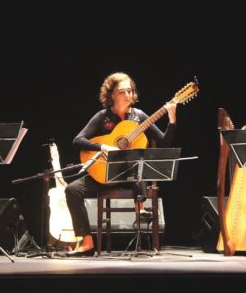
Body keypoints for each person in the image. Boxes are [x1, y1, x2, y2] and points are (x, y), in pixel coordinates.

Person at [64, 72, 177, 256]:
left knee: (136, 164)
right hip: (103, 175)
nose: (127, 95)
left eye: (130, 91)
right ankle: (87, 242)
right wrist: (103, 147)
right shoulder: (103, 117)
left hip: (130, 178)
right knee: (72, 190)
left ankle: (140, 207)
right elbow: (78, 140)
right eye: (122, 91)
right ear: (111, 95)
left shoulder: (139, 116)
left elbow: (164, 142)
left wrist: (172, 121)